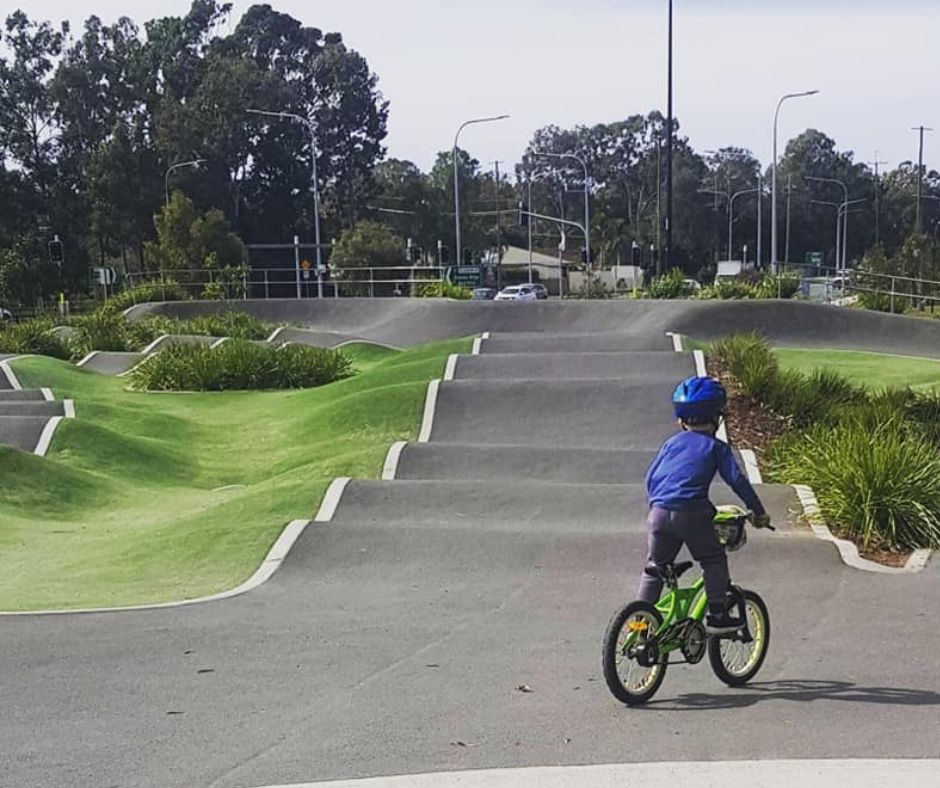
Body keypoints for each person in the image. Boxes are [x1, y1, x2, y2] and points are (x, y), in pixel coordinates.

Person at [637, 376, 771, 635]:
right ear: (717, 417)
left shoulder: (670, 444)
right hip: (692, 514)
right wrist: (759, 512)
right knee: (713, 559)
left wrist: (659, 505)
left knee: (654, 569)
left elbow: (651, 477)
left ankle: (639, 623)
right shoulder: (716, 448)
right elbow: (737, 481)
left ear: (681, 420)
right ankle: (719, 614)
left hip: (658, 513)